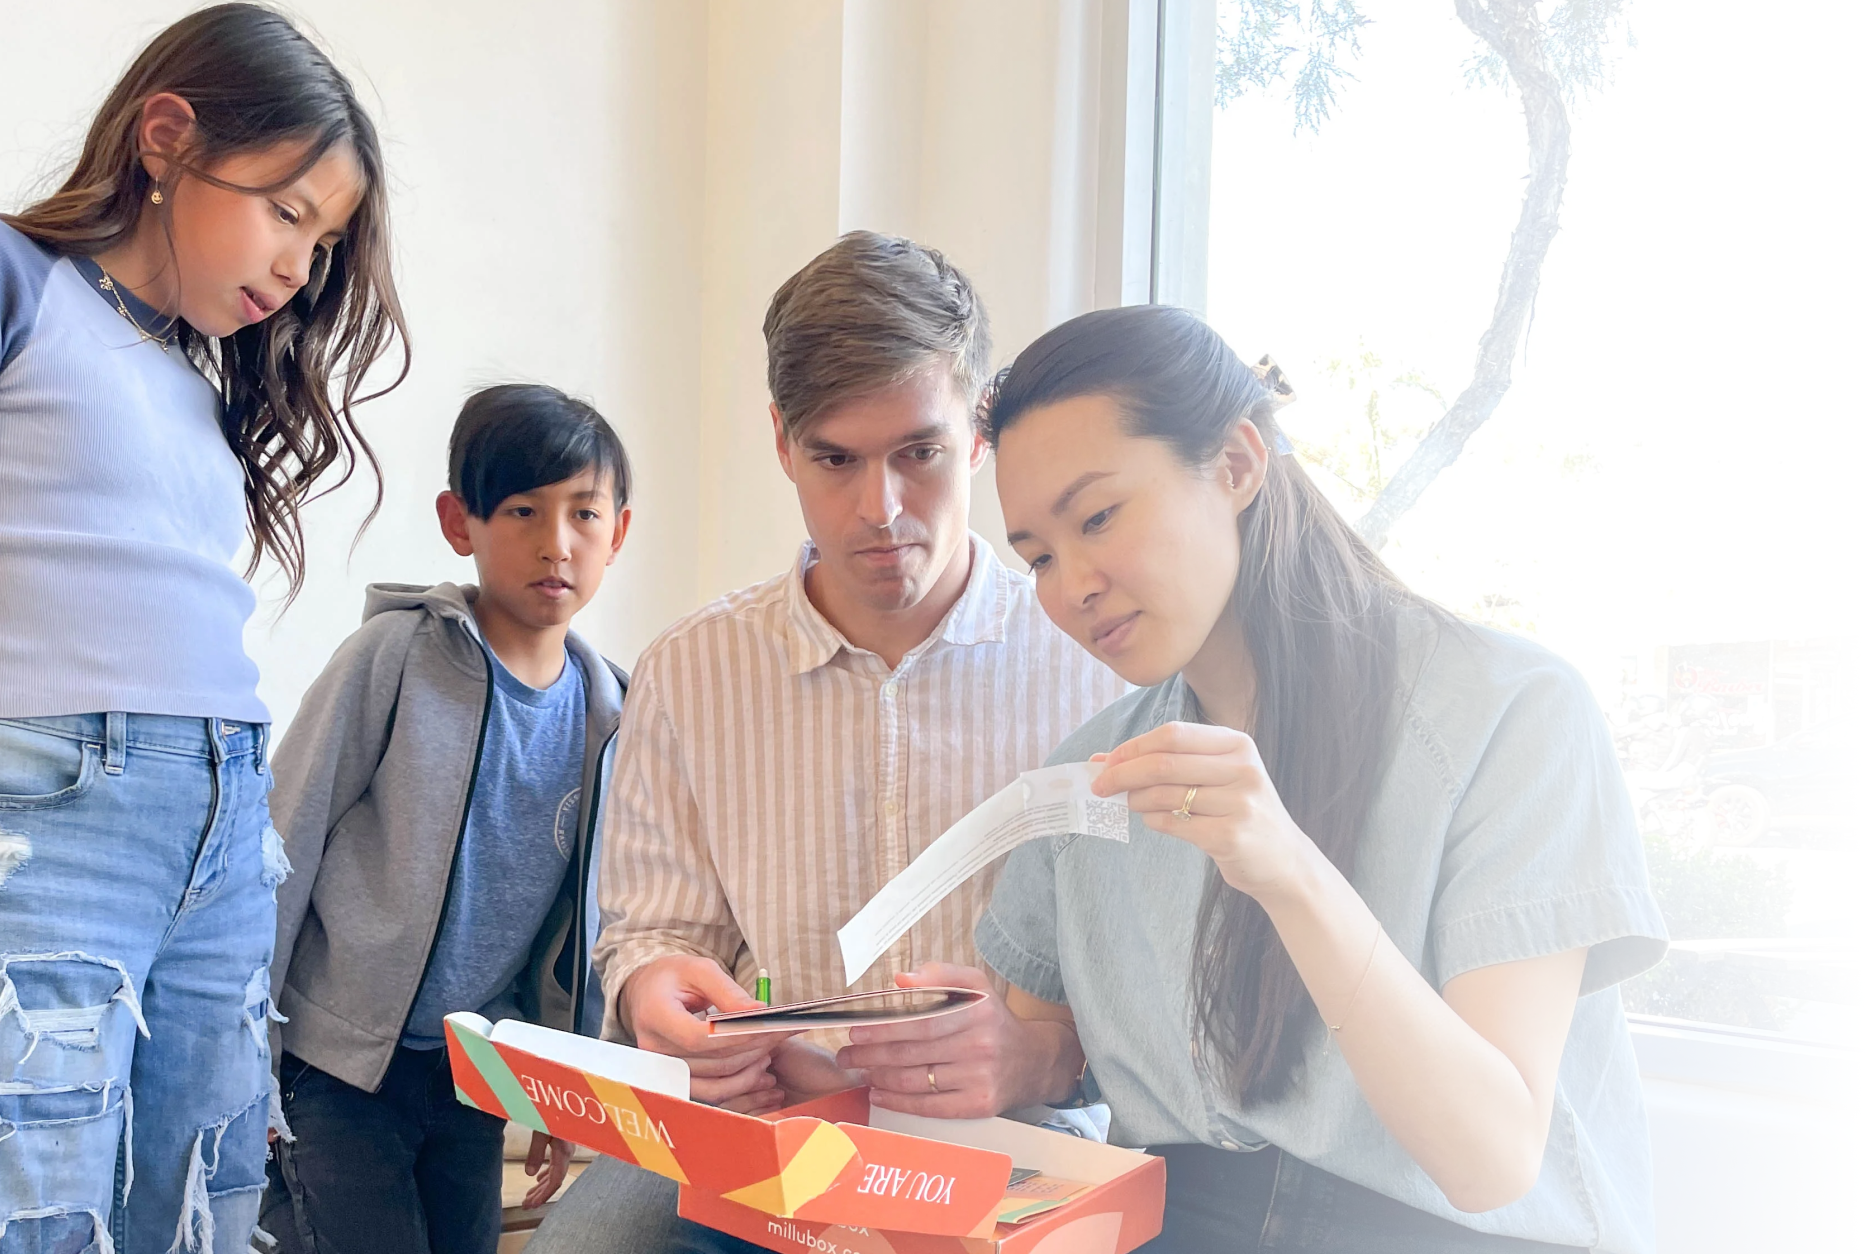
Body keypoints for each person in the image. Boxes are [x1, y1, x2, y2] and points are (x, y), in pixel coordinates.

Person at [0, 7, 405, 1251]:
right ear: (167, 139)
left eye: (321, 242)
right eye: (286, 211)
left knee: (203, 1222)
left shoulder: (191, 375)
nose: (300, 269)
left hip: (222, 842)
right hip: (44, 827)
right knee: (9, 1223)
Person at [844, 304, 1666, 1253]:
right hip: (1168, 1220)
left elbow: (1488, 1161)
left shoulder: (1511, 714)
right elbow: (1046, 1067)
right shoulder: (1090, 777)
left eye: (1098, 517)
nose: (1070, 586)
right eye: (1036, 557)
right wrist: (977, 1056)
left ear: (1236, 463)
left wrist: (1287, 868)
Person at [525, 233, 1121, 1254]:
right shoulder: (693, 671)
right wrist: (655, 997)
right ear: (780, 442)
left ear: (978, 432)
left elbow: (1163, 979)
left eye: (918, 454)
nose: (879, 510)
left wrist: (1046, 1056)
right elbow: (652, 937)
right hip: (762, 1139)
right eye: (834, 460)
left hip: (1019, 1143)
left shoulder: (1094, 663)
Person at [255, 385, 634, 1254]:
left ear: (617, 533)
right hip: (337, 1065)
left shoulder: (614, 716)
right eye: (522, 511)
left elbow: (585, 922)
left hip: (475, 1078)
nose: (556, 543)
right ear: (459, 521)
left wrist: (558, 1082)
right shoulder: (391, 659)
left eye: (584, 513)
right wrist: (249, 1055)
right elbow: (281, 841)